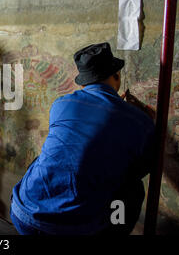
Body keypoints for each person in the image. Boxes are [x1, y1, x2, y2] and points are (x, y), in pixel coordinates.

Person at [10, 42, 155, 235]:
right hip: (69, 229)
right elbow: (143, 166)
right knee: (133, 188)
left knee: (48, 158)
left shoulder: (61, 103)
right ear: (117, 76)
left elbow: (85, 128)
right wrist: (141, 118)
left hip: (24, 213)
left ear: (84, 83)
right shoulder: (138, 119)